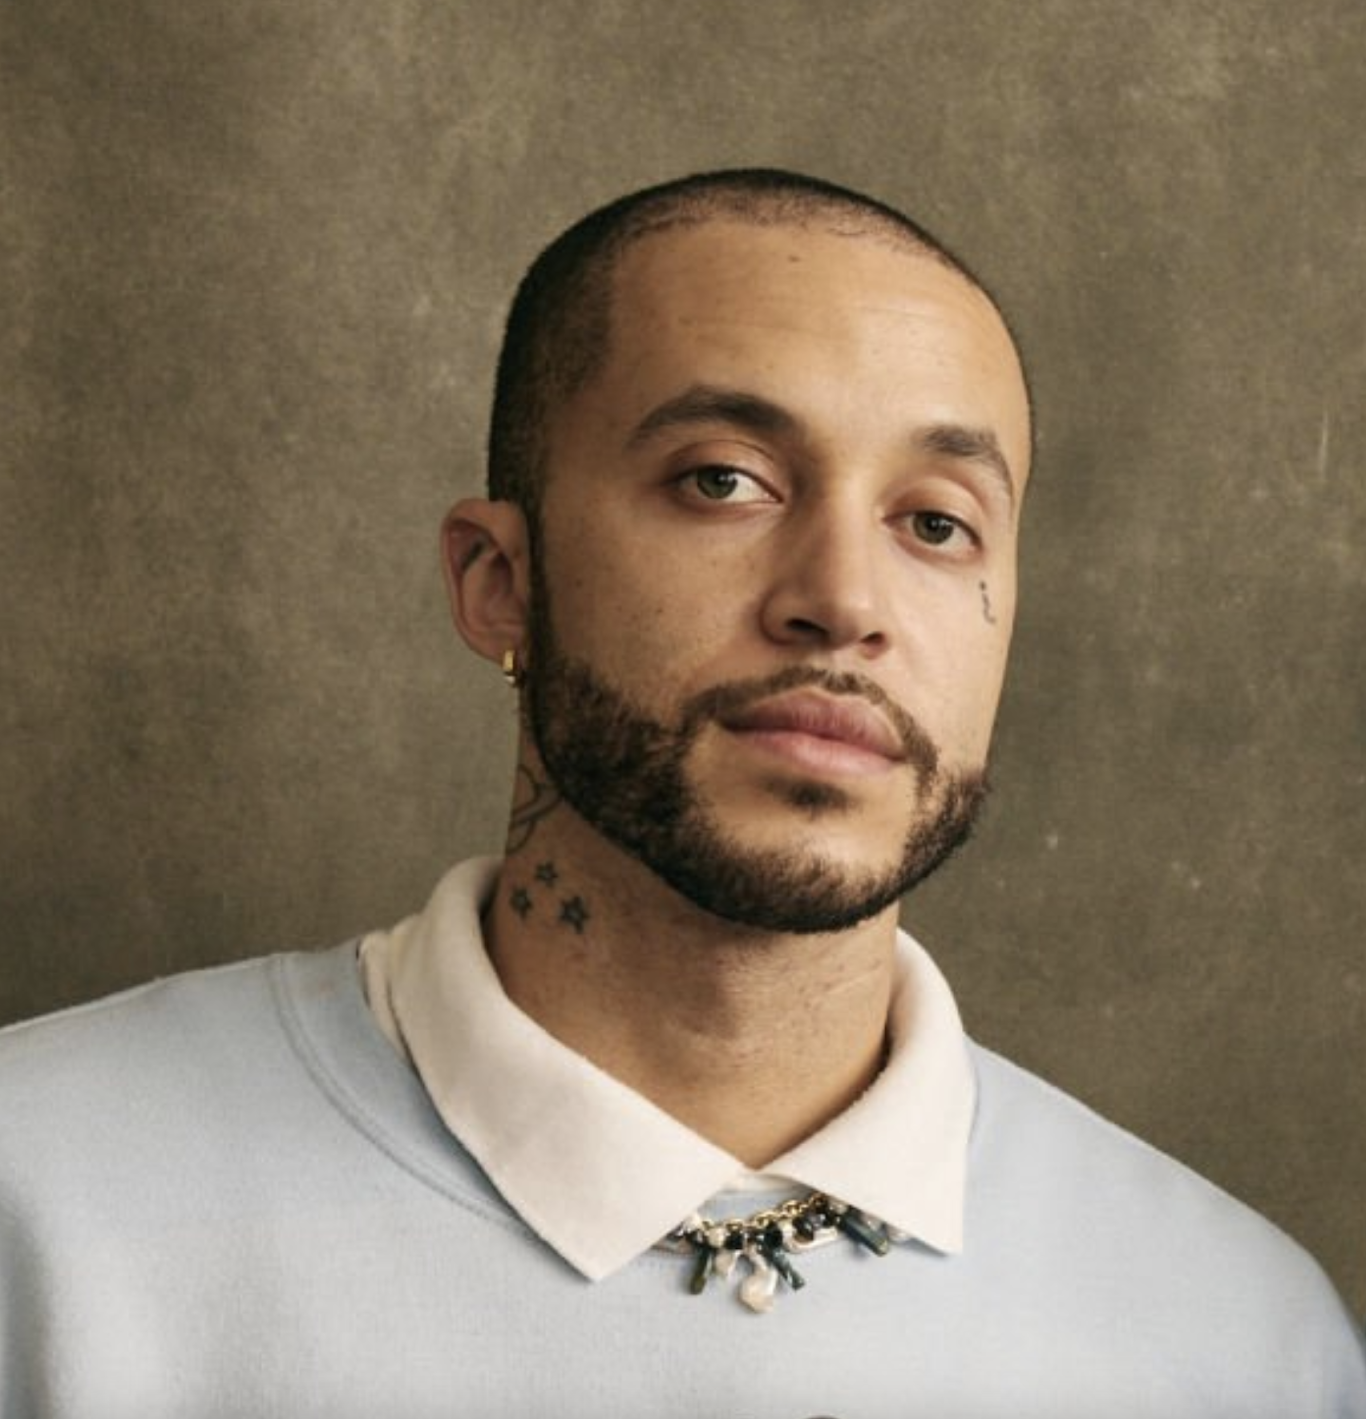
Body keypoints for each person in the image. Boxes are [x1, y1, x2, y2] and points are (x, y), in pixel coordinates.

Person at [1, 169, 1362, 1419]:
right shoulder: (40, 1202)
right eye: (723, 481)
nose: (842, 601)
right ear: (498, 583)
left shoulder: (1243, 1343)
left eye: (934, 522)